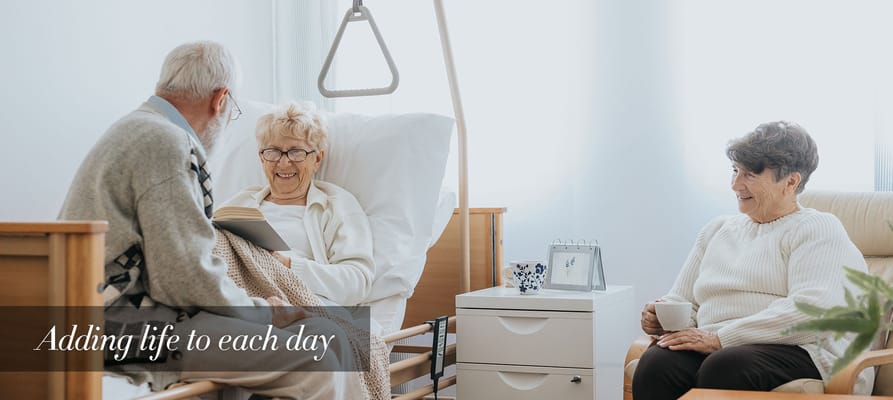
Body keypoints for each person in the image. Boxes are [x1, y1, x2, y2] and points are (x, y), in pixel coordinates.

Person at [59, 41, 362, 399]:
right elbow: (183, 278)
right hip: (121, 328)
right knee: (317, 364)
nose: (283, 163)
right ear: (220, 99)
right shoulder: (166, 143)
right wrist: (265, 314)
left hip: (122, 315)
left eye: (295, 152)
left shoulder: (138, 129)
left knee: (325, 336)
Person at [632, 121, 875, 399]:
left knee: (727, 366)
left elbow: (810, 314)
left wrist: (720, 339)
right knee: (657, 363)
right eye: (735, 171)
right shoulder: (716, 230)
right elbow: (685, 302)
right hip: (719, 344)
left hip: (799, 348)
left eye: (749, 175)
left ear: (791, 181)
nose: (736, 184)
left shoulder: (816, 228)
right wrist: (662, 316)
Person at [220, 102, 375, 307]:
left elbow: (357, 282)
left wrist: (288, 265)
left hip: (297, 299)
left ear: (317, 159)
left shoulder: (337, 205)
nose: (284, 163)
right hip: (235, 294)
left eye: (296, 152)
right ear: (261, 157)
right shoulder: (239, 203)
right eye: (274, 151)